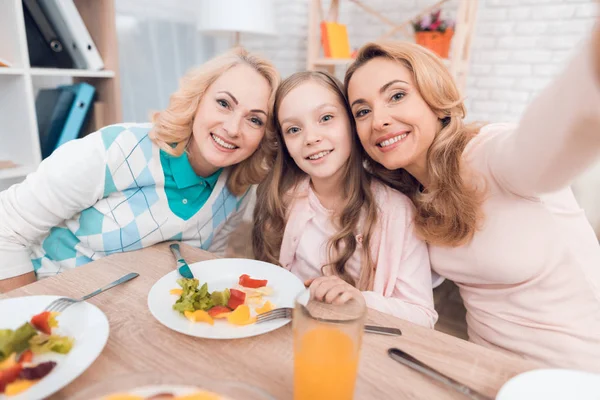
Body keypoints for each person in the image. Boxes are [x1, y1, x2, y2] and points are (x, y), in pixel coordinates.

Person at [344, 21, 600, 371]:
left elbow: (547, 142)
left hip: (580, 372)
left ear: (435, 100)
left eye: (397, 96)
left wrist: (591, 67)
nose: (379, 120)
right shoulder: (408, 193)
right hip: (485, 371)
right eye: (362, 111)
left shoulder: (490, 156)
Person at [0, 47, 280, 293]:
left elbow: (204, 258)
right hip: (52, 296)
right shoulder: (116, 150)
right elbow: (6, 226)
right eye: (223, 103)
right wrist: (27, 314)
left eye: (254, 120)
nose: (232, 129)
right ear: (198, 100)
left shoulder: (237, 187)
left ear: (264, 136)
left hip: (134, 315)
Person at [252, 71, 437, 327]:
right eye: (294, 129)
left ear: (352, 124)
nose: (311, 138)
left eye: (326, 118)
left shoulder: (397, 211)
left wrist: (358, 299)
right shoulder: (285, 200)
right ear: (284, 143)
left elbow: (423, 316)